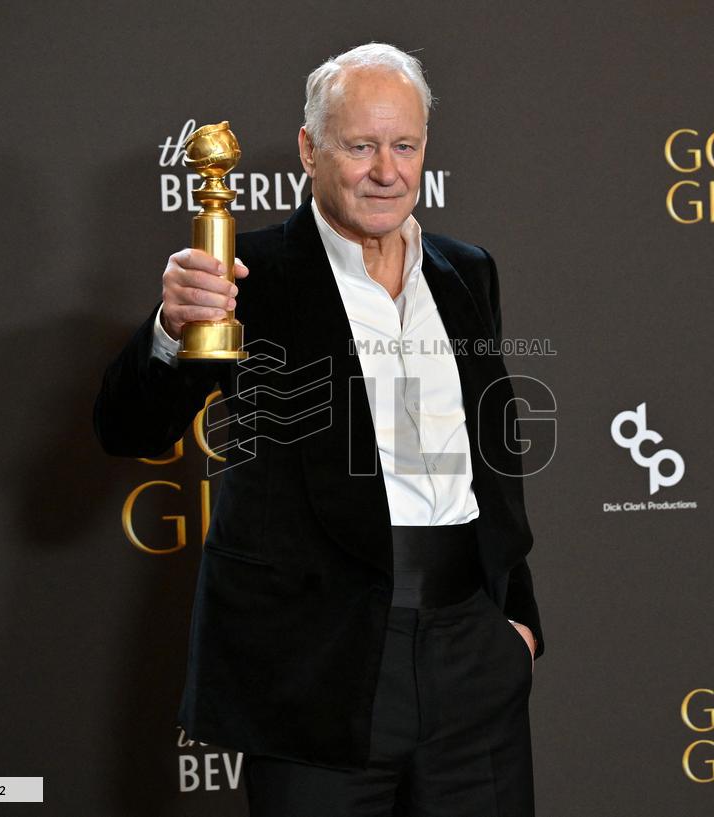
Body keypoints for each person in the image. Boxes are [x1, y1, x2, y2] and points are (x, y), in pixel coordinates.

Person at [94, 42, 543, 817]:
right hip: (320, 670)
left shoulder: (468, 271)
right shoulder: (248, 275)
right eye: (361, 145)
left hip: (473, 659)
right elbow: (130, 426)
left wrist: (518, 628)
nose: (386, 170)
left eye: (404, 145)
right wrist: (172, 325)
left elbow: (490, 463)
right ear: (309, 149)